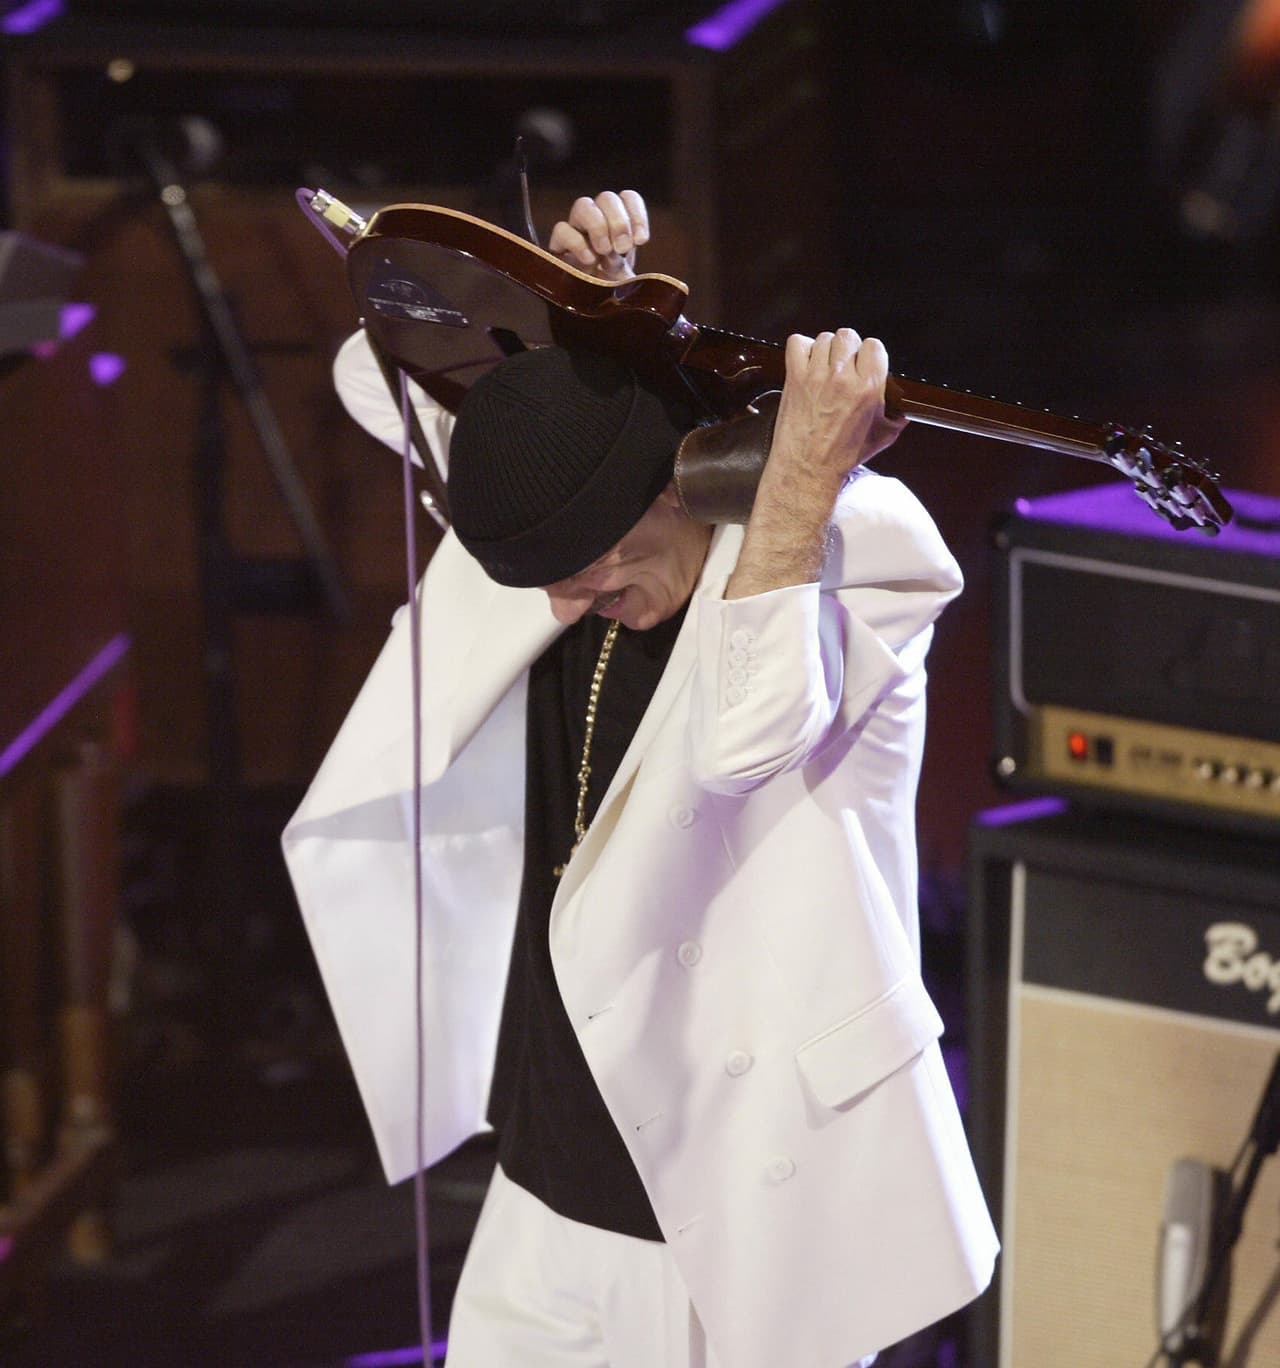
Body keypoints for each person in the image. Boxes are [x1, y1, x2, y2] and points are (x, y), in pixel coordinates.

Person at [282, 190, 998, 1368]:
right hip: (544, 1172)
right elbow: (380, 380)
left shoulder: (850, 547)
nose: (567, 603)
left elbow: (747, 735)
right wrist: (558, 313)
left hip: (734, 1192)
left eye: (592, 570)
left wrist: (803, 478)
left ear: (674, 488)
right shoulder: (562, 529)